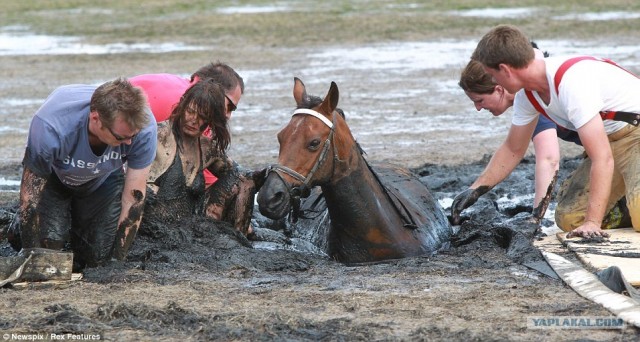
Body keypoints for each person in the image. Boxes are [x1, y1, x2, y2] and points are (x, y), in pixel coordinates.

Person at [452, 24, 640, 238]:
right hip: (610, 143)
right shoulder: (527, 96)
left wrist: (592, 222)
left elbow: (602, 158)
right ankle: (627, 202)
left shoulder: (570, 84)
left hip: (635, 135)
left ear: (505, 69)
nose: (494, 82)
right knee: (570, 219)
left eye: (492, 75)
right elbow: (513, 149)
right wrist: (476, 189)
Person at [12, 77, 157, 268]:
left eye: (133, 136)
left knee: (96, 259)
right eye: (121, 137)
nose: (129, 143)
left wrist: (116, 262)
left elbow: (133, 199)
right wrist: (33, 258)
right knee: (49, 247)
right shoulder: (51, 126)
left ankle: (78, 224)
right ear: (95, 119)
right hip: (55, 177)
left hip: (102, 178)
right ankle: (14, 229)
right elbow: (30, 199)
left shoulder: (144, 129)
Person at [130, 62, 244, 187]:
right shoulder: (187, 107)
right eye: (230, 107)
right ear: (215, 90)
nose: (228, 115)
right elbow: (205, 177)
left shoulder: (182, 90)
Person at [145, 79, 232, 221]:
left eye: (203, 117)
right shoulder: (156, 136)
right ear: (182, 104)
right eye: (190, 111)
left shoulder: (207, 149)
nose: (193, 120)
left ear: (211, 120)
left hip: (188, 226)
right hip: (150, 224)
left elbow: (237, 175)